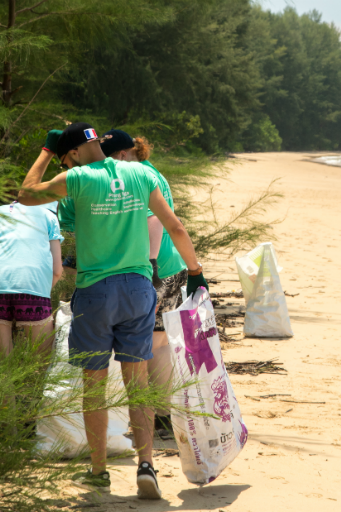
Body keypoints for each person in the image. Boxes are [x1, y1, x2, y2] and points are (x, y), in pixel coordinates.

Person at [19, 122, 208, 500]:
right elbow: (174, 226)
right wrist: (196, 272)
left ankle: (100, 471)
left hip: (95, 291)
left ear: (71, 154)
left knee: (94, 388)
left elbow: (25, 195)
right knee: (137, 383)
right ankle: (146, 465)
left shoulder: (75, 178)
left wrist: (44, 151)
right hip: (139, 289)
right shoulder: (140, 172)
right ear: (96, 143)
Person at [99, 129, 185, 439]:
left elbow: (153, 222)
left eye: (108, 158)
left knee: (144, 345)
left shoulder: (137, 175)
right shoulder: (152, 172)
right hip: (170, 264)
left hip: (152, 268)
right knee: (158, 343)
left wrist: (148, 275)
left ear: (122, 155)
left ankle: (145, 418)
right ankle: (160, 416)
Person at [0, 199, 63, 357]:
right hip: (32, 288)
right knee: (42, 360)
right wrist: (41, 292)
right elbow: (57, 270)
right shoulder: (48, 216)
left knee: (1, 362)